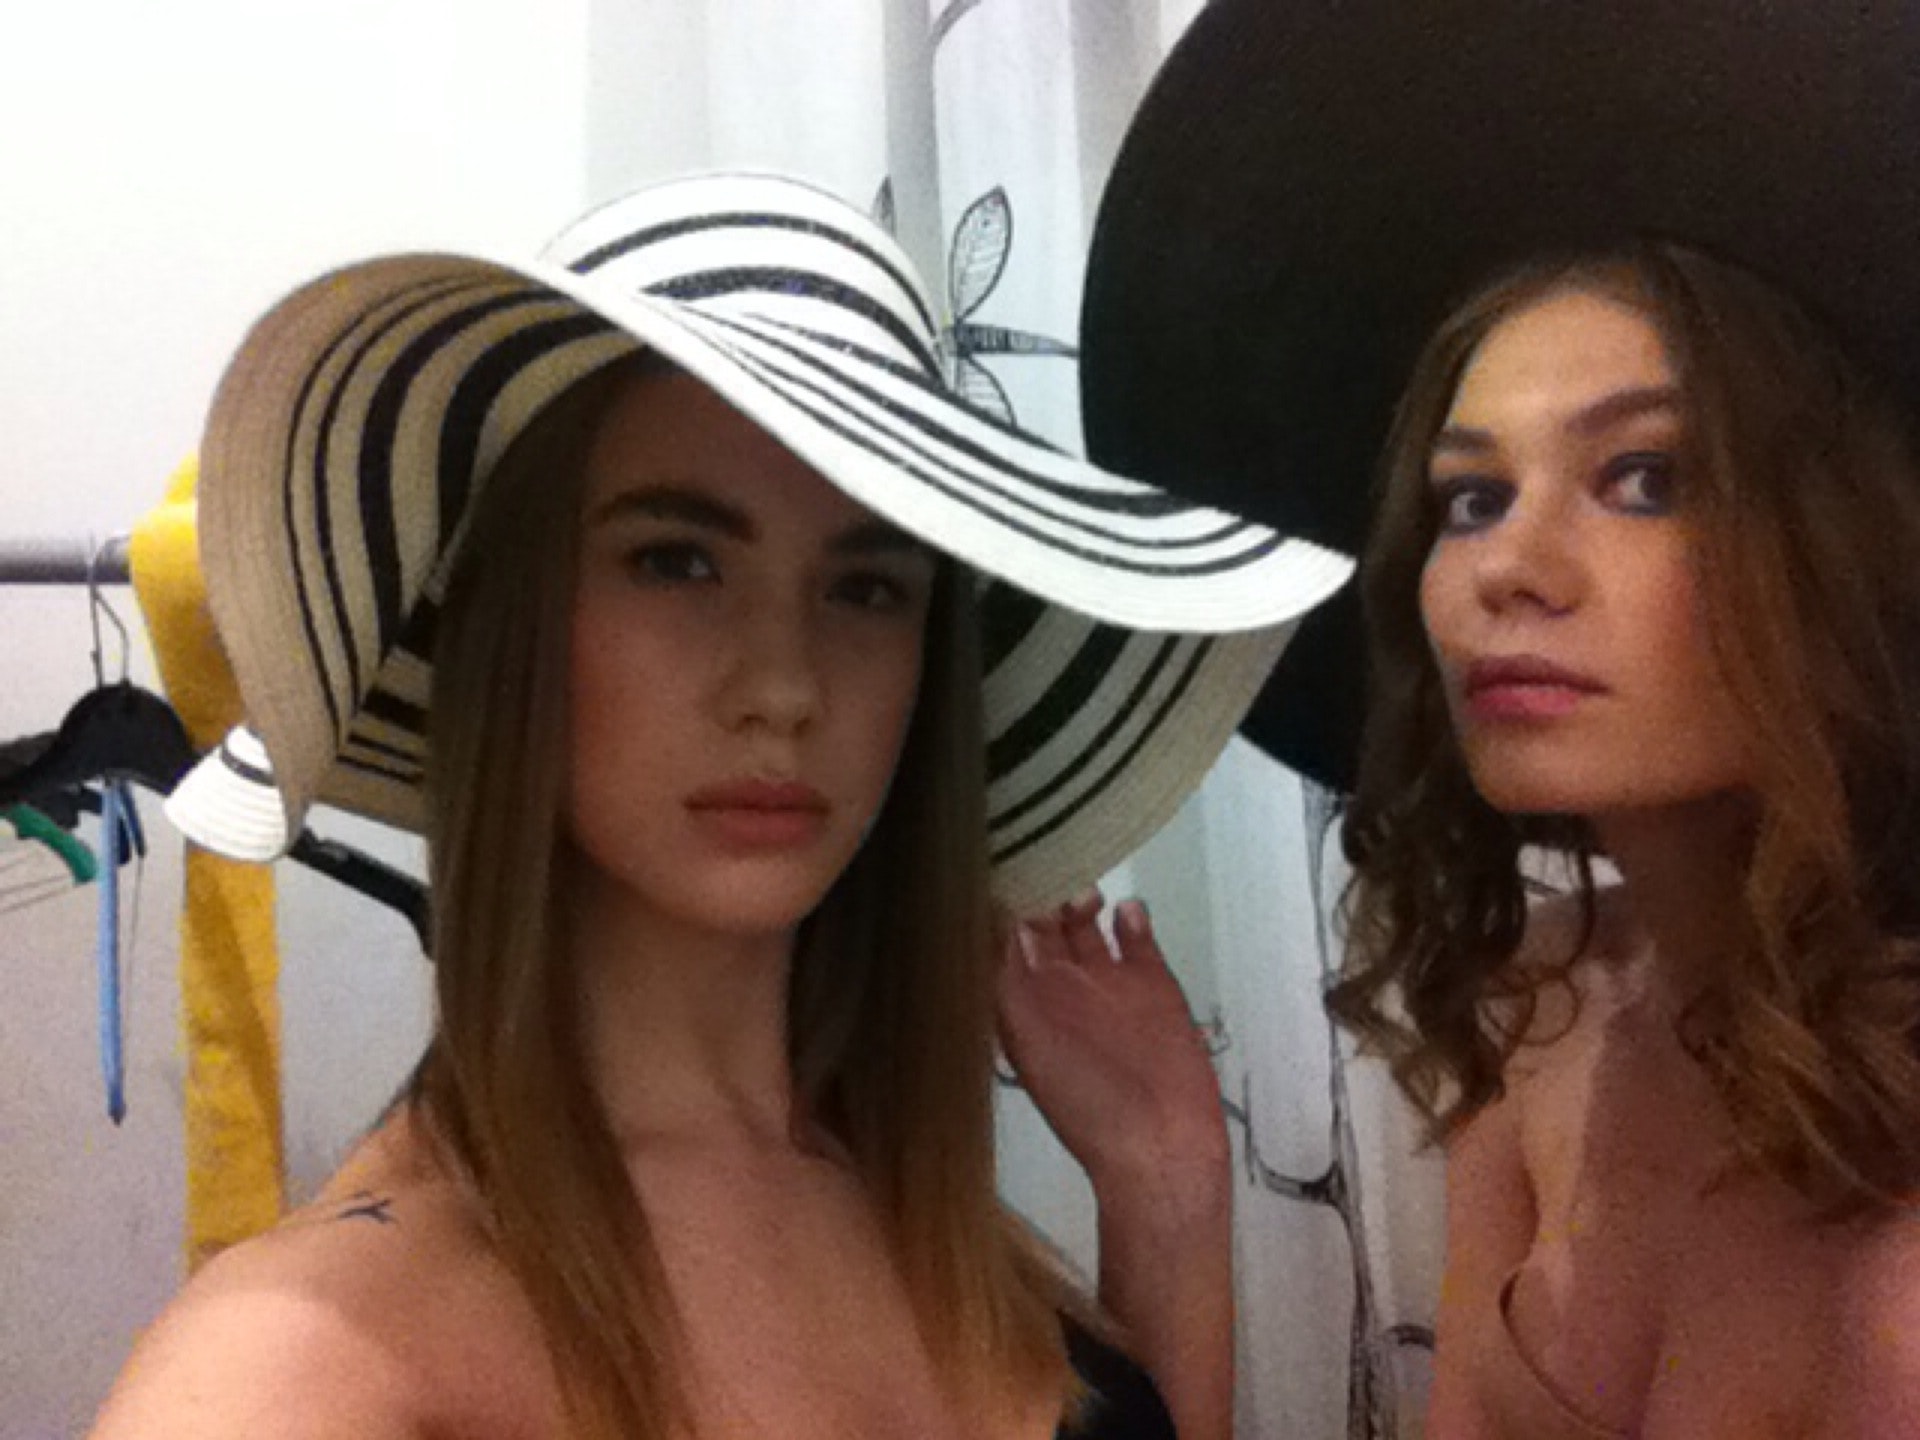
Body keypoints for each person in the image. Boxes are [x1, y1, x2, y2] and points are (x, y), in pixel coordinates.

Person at [89, 173, 1350, 1440]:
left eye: (865, 588)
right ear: (517, 625)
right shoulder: (310, 1351)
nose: (786, 686)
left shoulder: (946, 1231)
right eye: (677, 561)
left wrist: (1166, 1189)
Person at [1077, 3, 1920, 1436]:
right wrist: (1160, 1163)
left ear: (1843, 544)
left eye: (1646, 478)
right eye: (1470, 498)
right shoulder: (1543, 1008)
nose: (1503, 569)